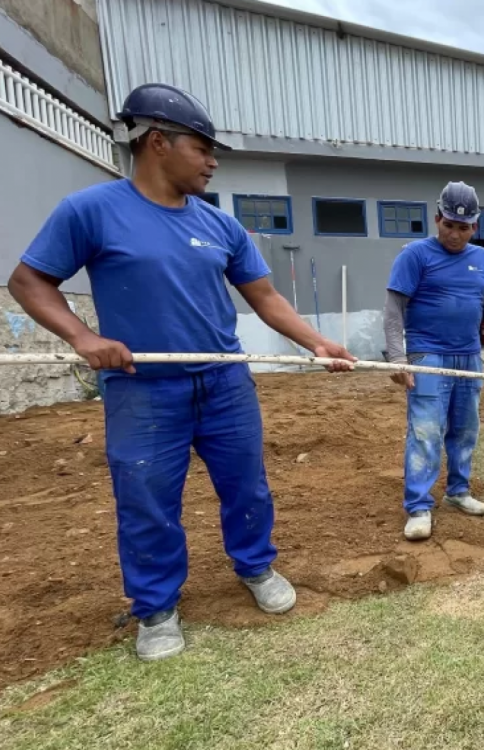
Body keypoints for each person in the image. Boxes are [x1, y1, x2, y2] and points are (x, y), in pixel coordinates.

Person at [7, 83, 355, 662]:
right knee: (146, 500)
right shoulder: (91, 211)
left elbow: (265, 297)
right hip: (142, 390)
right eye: (202, 148)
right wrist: (84, 337)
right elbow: (28, 282)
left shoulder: (222, 226)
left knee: (246, 486)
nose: (212, 162)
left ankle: (256, 567)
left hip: (224, 383)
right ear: (158, 142)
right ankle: (156, 608)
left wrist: (317, 343)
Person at [384, 182, 484, 542]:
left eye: (463, 227)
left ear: (475, 227)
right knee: (426, 431)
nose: (455, 234)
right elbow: (393, 311)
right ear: (437, 219)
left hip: (469, 355)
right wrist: (397, 358)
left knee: (465, 429)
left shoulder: (482, 258)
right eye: (449, 224)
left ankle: (458, 491)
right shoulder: (414, 255)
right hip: (427, 355)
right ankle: (418, 506)